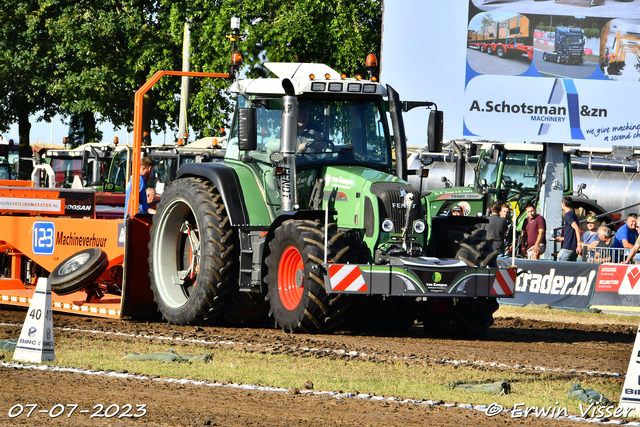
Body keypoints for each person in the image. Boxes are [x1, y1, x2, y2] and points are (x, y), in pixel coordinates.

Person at [555, 196, 582, 262]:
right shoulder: (574, 215)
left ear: (563, 204)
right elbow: (572, 232)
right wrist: (563, 238)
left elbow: (577, 229)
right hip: (573, 249)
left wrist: (579, 245)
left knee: (559, 268)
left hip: (567, 248)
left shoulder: (568, 215)